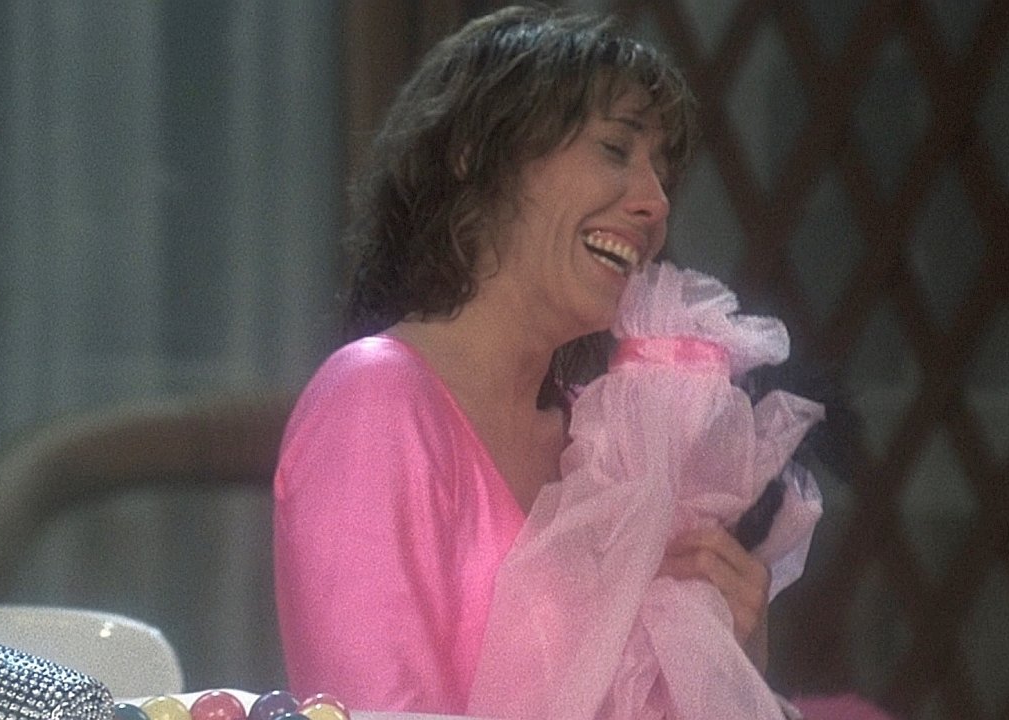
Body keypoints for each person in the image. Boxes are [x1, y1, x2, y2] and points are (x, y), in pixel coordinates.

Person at [272, 6, 772, 715]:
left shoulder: (603, 435)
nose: (656, 203)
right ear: (476, 152)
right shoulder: (373, 400)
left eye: (663, 173)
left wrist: (729, 652)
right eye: (615, 149)